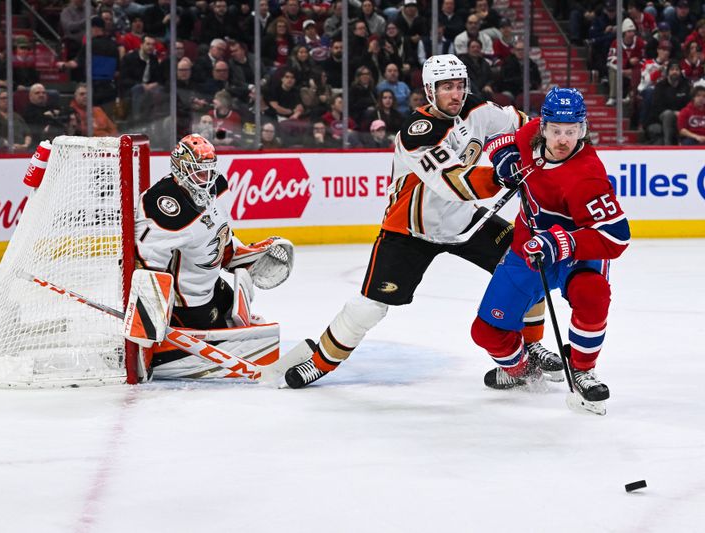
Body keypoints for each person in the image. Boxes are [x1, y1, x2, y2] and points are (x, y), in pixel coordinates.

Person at [283, 54, 562, 389]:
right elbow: (454, 182)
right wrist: (504, 174)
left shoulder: (477, 110)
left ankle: (529, 349)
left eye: (459, 85)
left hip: (464, 222)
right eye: (446, 87)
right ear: (430, 91)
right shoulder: (418, 133)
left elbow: (520, 124)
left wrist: (555, 140)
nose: (455, 94)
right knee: (370, 307)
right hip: (411, 229)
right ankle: (319, 362)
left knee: (529, 263)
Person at [472, 88, 630, 411]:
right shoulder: (530, 134)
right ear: (543, 127)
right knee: (485, 332)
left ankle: (583, 369)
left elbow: (616, 237)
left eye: (571, 131)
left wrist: (562, 242)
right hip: (528, 248)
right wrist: (503, 156)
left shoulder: (587, 177)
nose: (563, 139)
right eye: (556, 130)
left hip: (577, 254)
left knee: (593, 293)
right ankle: (521, 371)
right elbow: (501, 131)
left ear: (582, 130)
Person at [133, 134, 292, 371]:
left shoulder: (215, 186)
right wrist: (147, 322)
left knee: (240, 315)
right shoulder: (164, 206)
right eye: (198, 171)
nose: (206, 178)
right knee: (235, 337)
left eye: (208, 170)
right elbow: (147, 266)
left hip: (212, 286)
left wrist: (243, 255)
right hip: (188, 303)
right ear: (180, 168)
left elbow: (220, 237)